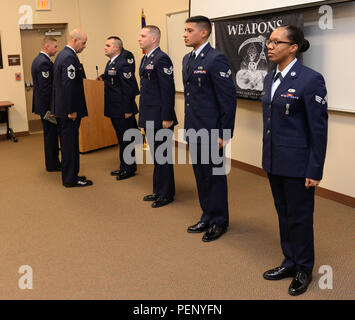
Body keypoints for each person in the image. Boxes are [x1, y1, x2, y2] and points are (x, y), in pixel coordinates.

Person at [261, 25, 328, 296]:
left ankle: (303, 268)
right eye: (269, 41)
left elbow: (319, 130)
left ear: (293, 47)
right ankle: (289, 261)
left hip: (298, 165)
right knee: (283, 214)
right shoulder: (270, 77)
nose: (270, 46)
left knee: (299, 218)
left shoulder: (310, 80)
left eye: (277, 42)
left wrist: (315, 169)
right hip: (274, 161)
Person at [183, 16, 237, 242]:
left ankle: (219, 221)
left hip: (212, 131)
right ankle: (207, 215)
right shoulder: (188, 58)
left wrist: (224, 134)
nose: (184, 34)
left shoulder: (217, 59)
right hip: (194, 128)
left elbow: (228, 100)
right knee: (201, 176)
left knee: (214, 177)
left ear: (203, 33)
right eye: (184, 30)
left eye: (189, 30)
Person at [138, 25, 177, 208]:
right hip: (149, 114)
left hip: (161, 117)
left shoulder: (162, 59)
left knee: (163, 156)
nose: (139, 38)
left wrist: (167, 117)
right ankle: (158, 190)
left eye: (143, 36)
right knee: (156, 155)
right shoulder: (146, 58)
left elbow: (167, 90)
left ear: (154, 39)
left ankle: (166, 193)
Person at [52, 29, 93, 188]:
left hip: (62, 109)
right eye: (83, 43)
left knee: (69, 144)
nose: (84, 46)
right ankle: (70, 179)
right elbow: (69, 85)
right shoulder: (69, 57)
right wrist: (71, 109)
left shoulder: (62, 54)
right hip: (69, 111)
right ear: (75, 40)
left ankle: (72, 175)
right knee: (70, 146)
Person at [98, 36, 139, 180]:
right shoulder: (112, 62)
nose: (105, 47)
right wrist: (103, 76)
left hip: (123, 108)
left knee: (126, 139)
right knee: (121, 139)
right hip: (114, 107)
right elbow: (113, 77)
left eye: (108, 45)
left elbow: (128, 87)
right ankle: (124, 165)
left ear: (117, 48)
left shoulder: (124, 60)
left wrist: (128, 109)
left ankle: (128, 168)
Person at [31, 36, 61, 172]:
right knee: (51, 136)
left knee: (51, 135)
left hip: (44, 106)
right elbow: (46, 90)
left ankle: (53, 163)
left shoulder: (40, 60)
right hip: (47, 107)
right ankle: (52, 165)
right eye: (55, 46)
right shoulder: (43, 62)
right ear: (47, 46)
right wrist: (52, 109)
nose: (56, 49)